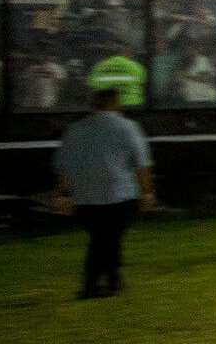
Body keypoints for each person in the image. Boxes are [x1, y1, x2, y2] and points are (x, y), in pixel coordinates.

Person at [54, 88, 156, 299]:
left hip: (85, 197)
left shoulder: (76, 129)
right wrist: (146, 191)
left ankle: (111, 281)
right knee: (108, 239)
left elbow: (63, 166)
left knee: (103, 238)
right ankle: (96, 284)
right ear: (116, 103)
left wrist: (64, 195)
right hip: (118, 194)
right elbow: (142, 163)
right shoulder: (127, 127)